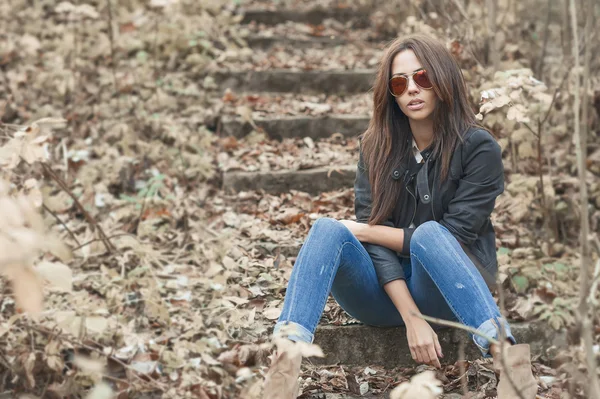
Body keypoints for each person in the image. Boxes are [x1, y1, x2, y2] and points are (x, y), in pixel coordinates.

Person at [262, 33, 537, 399]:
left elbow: (452, 239)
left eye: (422, 77)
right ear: (390, 93)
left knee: (429, 234)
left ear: (442, 79)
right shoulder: (375, 147)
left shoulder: (478, 147)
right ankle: (284, 364)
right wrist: (410, 316)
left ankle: (509, 362)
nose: (412, 89)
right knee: (328, 229)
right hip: (382, 295)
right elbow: (369, 233)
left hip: (451, 291)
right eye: (399, 82)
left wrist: (368, 232)